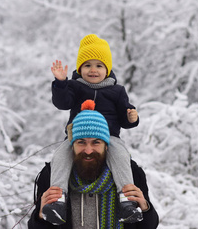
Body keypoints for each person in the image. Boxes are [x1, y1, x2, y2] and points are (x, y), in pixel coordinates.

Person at [45, 34, 140, 225]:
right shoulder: (75, 87)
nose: (93, 70)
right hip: (77, 136)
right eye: (87, 65)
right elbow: (62, 103)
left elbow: (124, 117)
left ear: (107, 69)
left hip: (108, 137)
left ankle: (126, 199)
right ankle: (58, 198)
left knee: (120, 156)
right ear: (80, 69)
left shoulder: (117, 91)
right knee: (61, 156)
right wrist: (61, 83)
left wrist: (132, 118)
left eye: (99, 65)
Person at [27, 103, 159, 228]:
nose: (88, 150)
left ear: (106, 146)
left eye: (96, 142)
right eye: (81, 142)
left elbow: (150, 226)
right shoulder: (51, 175)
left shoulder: (131, 173)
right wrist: (40, 215)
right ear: (72, 145)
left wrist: (145, 209)